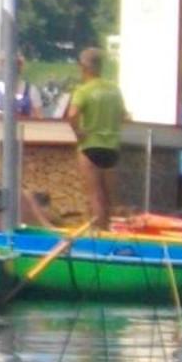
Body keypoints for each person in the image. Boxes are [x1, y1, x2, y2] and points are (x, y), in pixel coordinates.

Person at [66, 46, 126, 227]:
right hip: (111, 147)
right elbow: (123, 116)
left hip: (90, 145)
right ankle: (111, 231)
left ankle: (99, 234)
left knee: (95, 196)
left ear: (83, 67)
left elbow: (72, 114)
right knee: (110, 198)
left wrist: (78, 132)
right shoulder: (115, 90)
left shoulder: (83, 90)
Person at [0, 53, 38, 117]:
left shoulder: (31, 90)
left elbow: (39, 118)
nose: (9, 70)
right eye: (4, 66)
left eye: (14, 66)